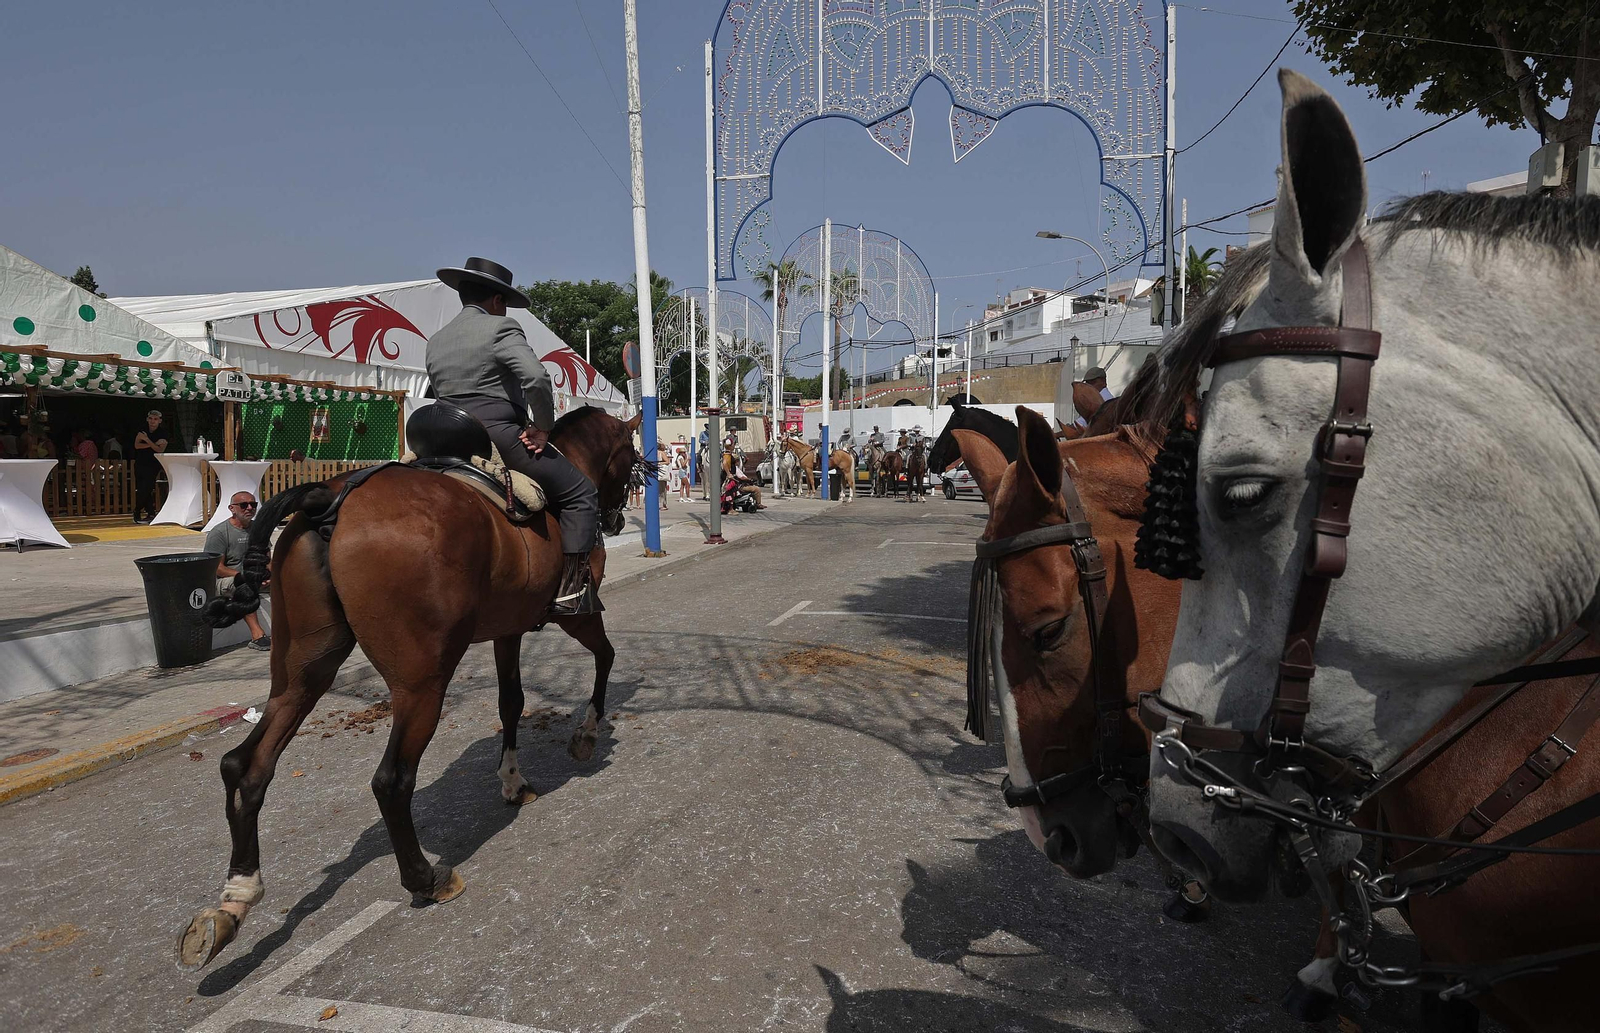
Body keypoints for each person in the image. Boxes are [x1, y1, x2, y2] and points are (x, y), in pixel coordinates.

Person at [427, 257, 601, 615]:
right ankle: (571, 594)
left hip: (441, 437)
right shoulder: (500, 328)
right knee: (583, 493)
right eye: (504, 302)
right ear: (496, 301)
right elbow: (536, 379)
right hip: (493, 436)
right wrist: (543, 427)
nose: (504, 308)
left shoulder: (436, 339)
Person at [204, 491, 271, 650]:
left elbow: (267, 559)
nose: (249, 508)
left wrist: (270, 575)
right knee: (245, 586)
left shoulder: (259, 530)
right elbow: (217, 568)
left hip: (255, 577)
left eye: (253, 505)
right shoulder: (219, 532)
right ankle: (257, 636)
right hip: (226, 581)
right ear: (232, 508)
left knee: (292, 580)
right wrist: (246, 577)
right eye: (244, 505)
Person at [132, 410, 168, 523]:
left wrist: (147, 440)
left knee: (146, 488)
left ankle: (137, 511)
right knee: (142, 488)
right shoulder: (142, 430)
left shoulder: (163, 433)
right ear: (147, 419)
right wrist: (153, 443)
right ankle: (151, 513)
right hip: (140, 463)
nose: (153, 421)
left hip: (153, 465)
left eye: (155, 419)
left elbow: (159, 449)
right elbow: (137, 445)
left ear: (160, 421)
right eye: (151, 418)